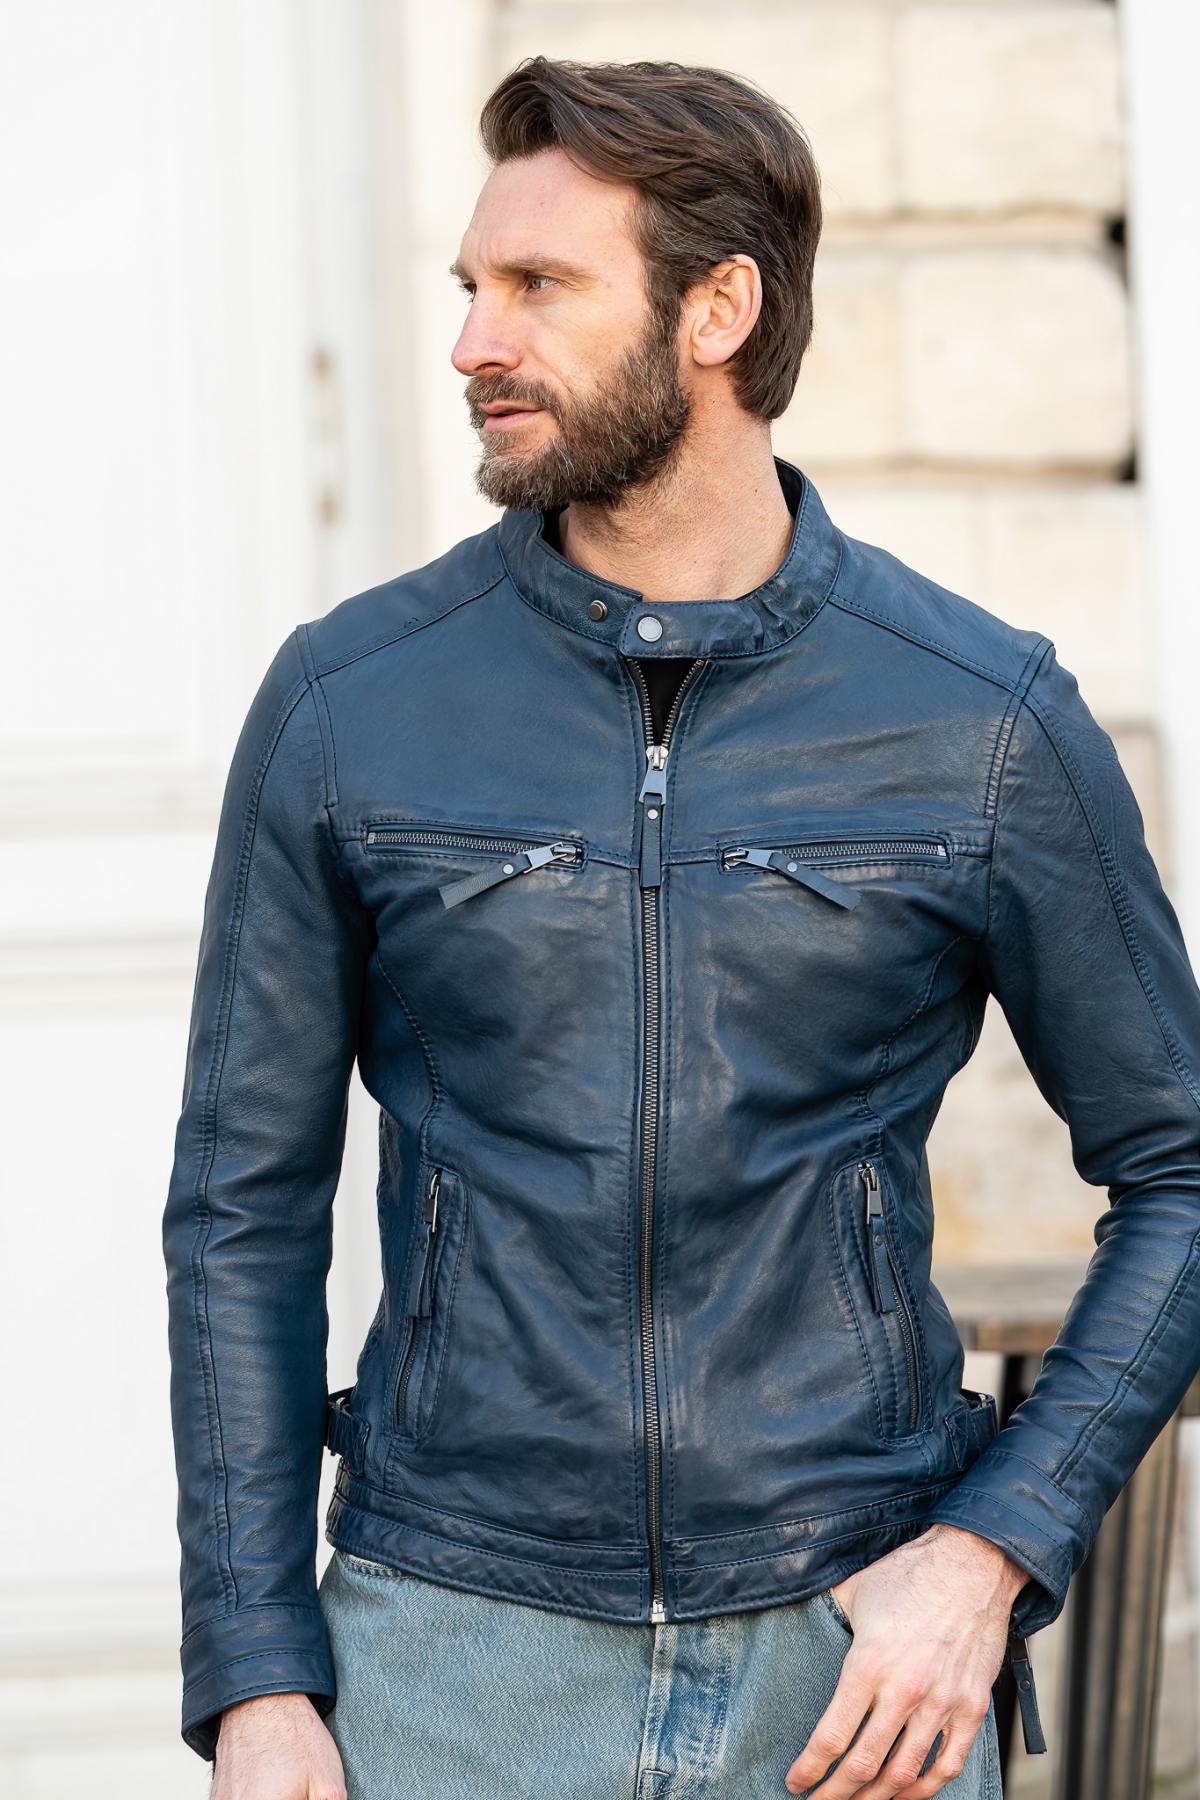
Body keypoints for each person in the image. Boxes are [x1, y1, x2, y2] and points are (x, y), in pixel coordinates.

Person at [161, 55, 1200, 1800]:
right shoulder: (352, 701)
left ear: (719, 311)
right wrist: (256, 1675)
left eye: (538, 286)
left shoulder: (980, 719)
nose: (473, 341)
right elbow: (238, 1211)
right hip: (450, 1656)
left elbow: (1182, 1169)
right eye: (470, 287)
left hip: (855, 1665)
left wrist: (990, 1554)